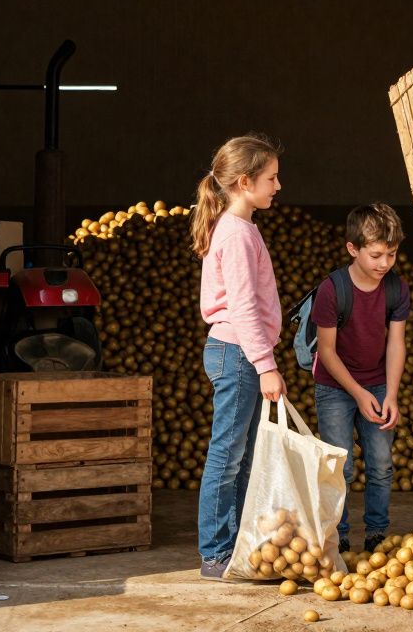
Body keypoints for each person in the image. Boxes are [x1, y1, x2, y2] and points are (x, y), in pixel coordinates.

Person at [190, 134, 287, 580]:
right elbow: (244, 306)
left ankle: (236, 544)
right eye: (271, 178)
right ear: (245, 181)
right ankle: (215, 553)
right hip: (237, 353)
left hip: (239, 352)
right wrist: (265, 365)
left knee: (242, 456)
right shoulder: (234, 232)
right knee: (227, 456)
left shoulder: (241, 229)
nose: (277, 186)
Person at [312, 203, 409, 554]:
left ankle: (377, 535)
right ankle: (338, 538)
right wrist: (356, 392)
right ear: (353, 249)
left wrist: (391, 395)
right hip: (336, 387)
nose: (385, 263)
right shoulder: (332, 290)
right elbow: (326, 351)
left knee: (381, 464)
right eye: (376, 255)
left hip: (378, 382)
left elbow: (396, 343)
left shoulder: (396, 289)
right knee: (341, 467)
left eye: (392, 254)